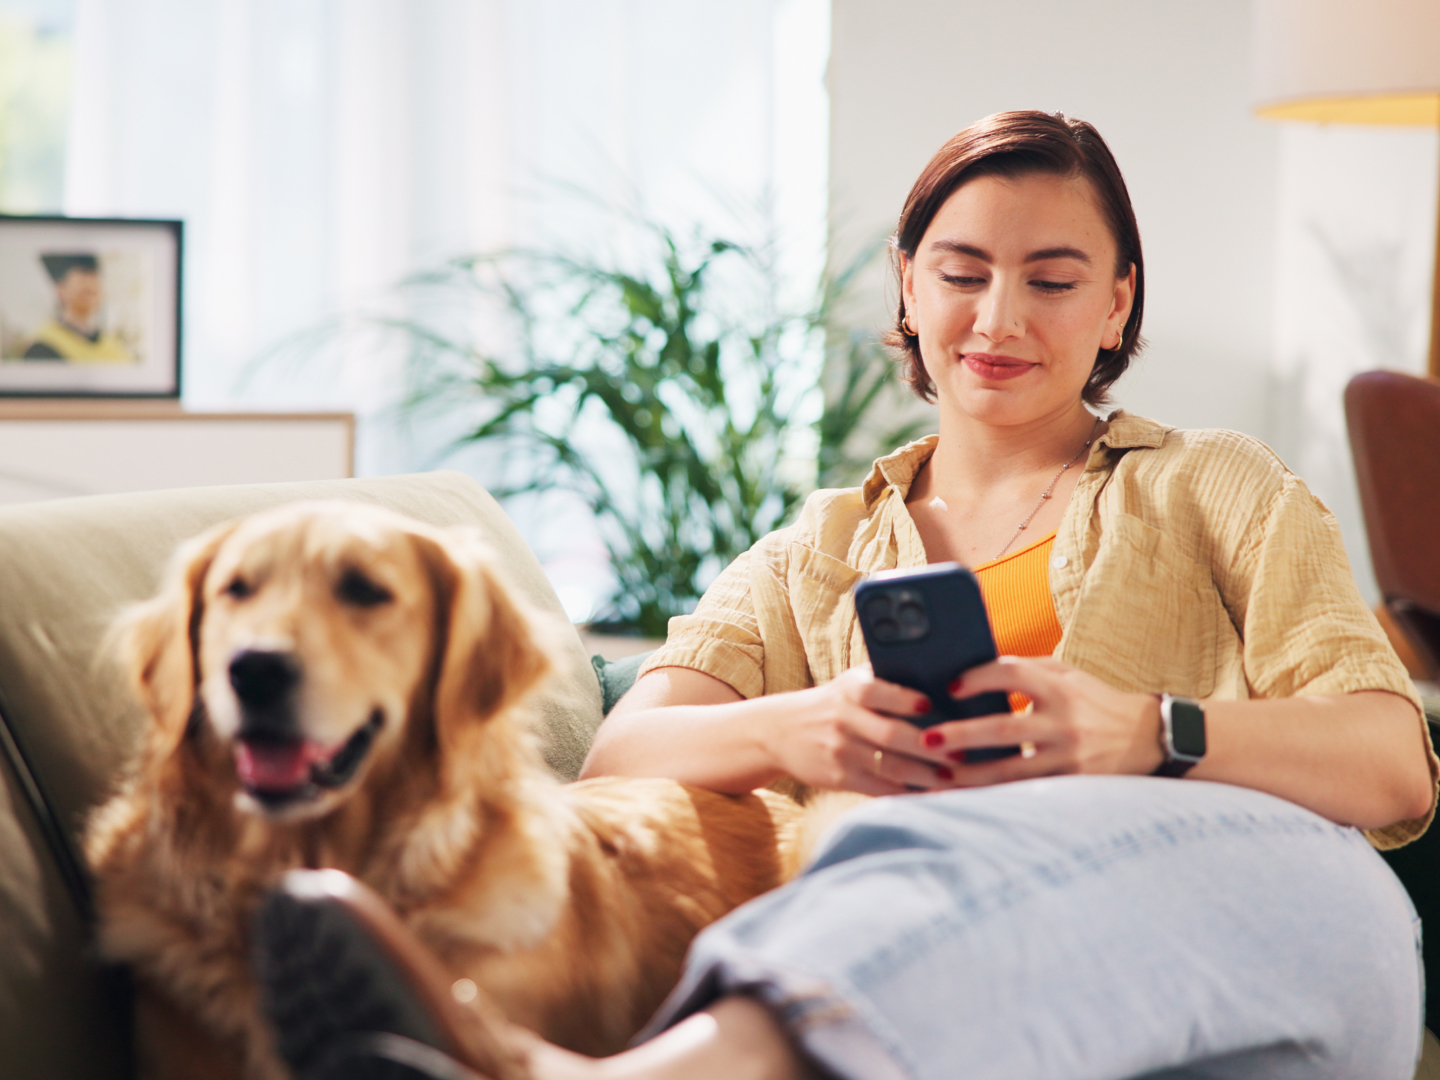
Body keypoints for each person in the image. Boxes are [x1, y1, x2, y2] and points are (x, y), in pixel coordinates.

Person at [260, 111, 1438, 1079]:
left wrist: (1149, 734)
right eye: (962, 274)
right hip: (995, 1003)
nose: (1000, 319)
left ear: (1118, 304)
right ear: (909, 289)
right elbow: (625, 754)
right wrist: (803, 728)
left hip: (1272, 927)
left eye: (1053, 280)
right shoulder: (815, 549)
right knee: (905, 854)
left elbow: (1394, 764)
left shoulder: (1214, 484)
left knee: (1030, 851)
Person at [22, 253, 135, 362]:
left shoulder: (115, 348)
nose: (90, 285)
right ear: (60, 289)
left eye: (94, 278)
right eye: (82, 279)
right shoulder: (43, 346)